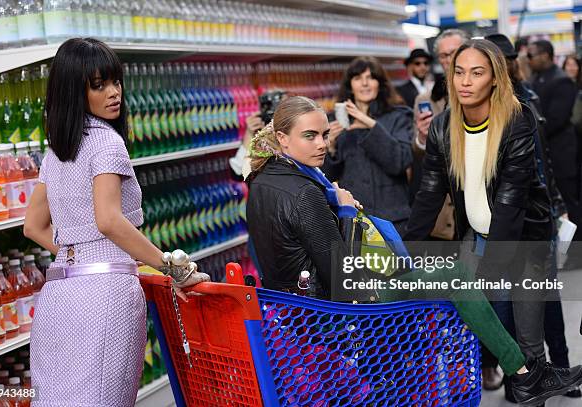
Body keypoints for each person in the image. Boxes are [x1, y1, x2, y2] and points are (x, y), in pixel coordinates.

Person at [247, 95, 582, 406]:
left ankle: (522, 373)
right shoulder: (306, 193)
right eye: (310, 136)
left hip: (295, 311)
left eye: (324, 134)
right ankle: (523, 374)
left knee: (442, 274)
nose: (321, 144)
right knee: (456, 276)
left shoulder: (263, 181)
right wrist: (346, 210)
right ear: (281, 138)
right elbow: (345, 276)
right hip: (335, 314)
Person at [23, 38, 209, 406]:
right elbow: (108, 220)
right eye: (98, 85)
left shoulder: (57, 148)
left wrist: (78, 256)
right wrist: (171, 267)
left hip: (58, 295)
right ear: (75, 91)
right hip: (106, 296)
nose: (114, 93)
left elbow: (33, 227)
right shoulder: (107, 143)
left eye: (115, 82)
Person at [404, 37, 582, 404]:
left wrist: (490, 271)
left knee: (528, 337)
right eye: (459, 72)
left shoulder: (517, 121)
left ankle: (536, 389)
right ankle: (525, 381)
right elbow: (429, 195)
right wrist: (406, 255)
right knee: (494, 328)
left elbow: (511, 200)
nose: (465, 81)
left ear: (496, 79)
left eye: (477, 72)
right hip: (478, 235)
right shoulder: (442, 127)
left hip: (526, 238)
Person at [487, 33, 581, 401]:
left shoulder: (530, 97)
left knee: (549, 303)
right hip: (502, 226)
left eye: (508, 58)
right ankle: (523, 380)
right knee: (508, 309)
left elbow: (544, 160)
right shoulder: (481, 108)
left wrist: (557, 204)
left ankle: (561, 371)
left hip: (539, 218)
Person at [322, 57, 413, 235]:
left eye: (370, 78)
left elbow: (400, 162)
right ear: (350, 85)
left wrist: (371, 125)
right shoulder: (335, 121)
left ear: (380, 83)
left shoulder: (398, 116)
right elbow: (329, 178)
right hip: (355, 218)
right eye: (357, 78)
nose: (364, 84)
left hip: (393, 219)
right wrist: (329, 147)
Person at [409, 29, 469, 241]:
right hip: (442, 208)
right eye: (444, 55)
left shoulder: (481, 97)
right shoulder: (425, 99)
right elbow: (417, 152)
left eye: (455, 52)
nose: (449, 60)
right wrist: (423, 139)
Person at [529, 40, 582, 254]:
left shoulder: (561, 81)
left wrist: (532, 132)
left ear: (545, 55)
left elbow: (555, 119)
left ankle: (576, 251)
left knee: (569, 202)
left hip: (562, 154)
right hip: (547, 153)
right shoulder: (535, 79)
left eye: (532, 55)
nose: (529, 60)